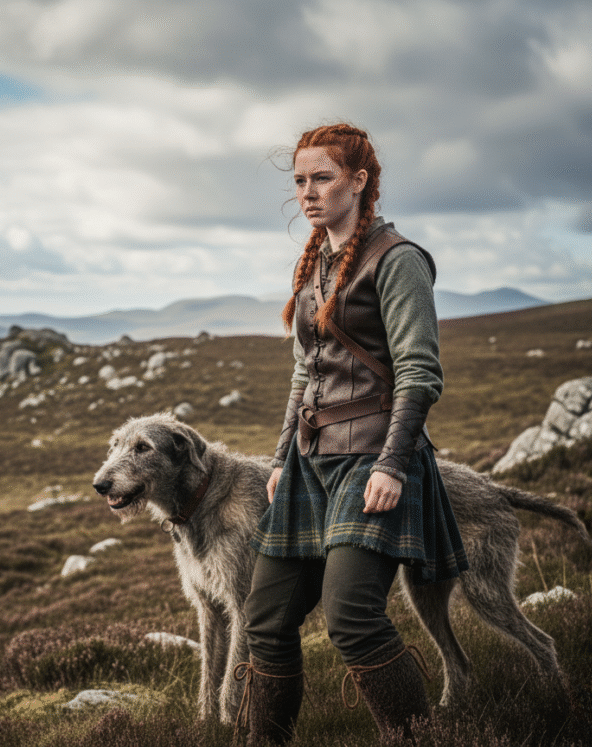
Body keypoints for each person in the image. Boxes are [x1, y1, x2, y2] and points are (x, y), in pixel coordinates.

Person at [235, 123, 469, 745]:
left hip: (372, 459)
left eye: (323, 178)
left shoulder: (398, 261)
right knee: (265, 621)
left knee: (353, 618)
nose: (308, 194)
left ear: (359, 181)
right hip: (310, 464)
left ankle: (415, 740)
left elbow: (419, 372)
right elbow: (302, 373)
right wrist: (283, 457)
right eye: (300, 182)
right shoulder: (315, 263)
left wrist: (394, 464)